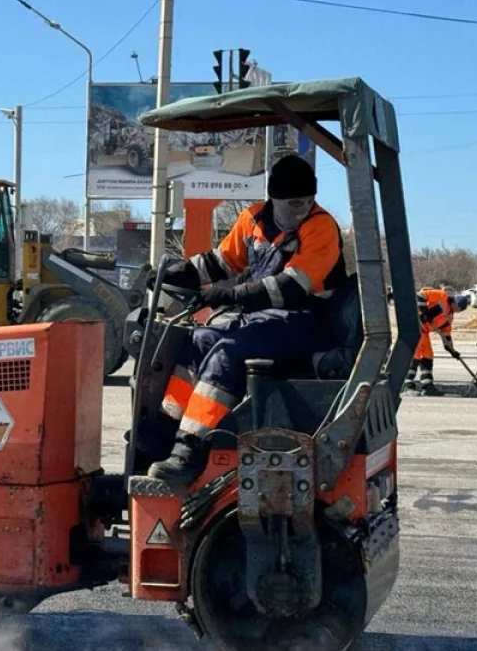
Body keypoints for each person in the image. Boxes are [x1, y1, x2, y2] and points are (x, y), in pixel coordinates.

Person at [146, 154, 345, 490]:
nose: (302, 208)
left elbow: (293, 286)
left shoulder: (321, 226)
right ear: (274, 200)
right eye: (294, 202)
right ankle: (164, 430)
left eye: (307, 201)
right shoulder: (252, 219)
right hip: (264, 318)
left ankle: (190, 448)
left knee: (228, 351)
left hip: (307, 322)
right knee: (199, 340)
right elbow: (218, 263)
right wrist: (175, 273)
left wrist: (229, 296)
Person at [404, 287, 468, 396]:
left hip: (424, 332)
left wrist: (451, 350)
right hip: (415, 325)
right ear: (455, 302)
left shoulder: (449, 317)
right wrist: (423, 311)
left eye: (460, 310)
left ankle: (427, 386)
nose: (458, 310)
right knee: (416, 354)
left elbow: (446, 334)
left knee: (428, 355)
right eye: (458, 307)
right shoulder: (441, 296)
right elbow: (420, 295)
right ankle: (407, 385)